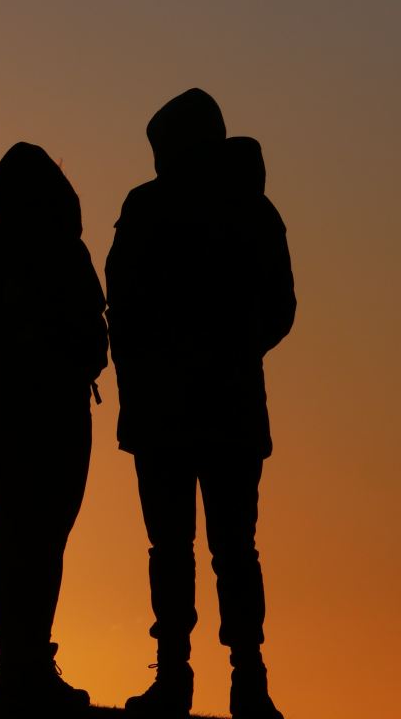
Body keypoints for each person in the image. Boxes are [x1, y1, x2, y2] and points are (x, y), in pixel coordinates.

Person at [105, 89, 295, 719]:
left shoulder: (153, 207)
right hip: (222, 409)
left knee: (189, 548)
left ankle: (198, 679)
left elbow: (123, 307)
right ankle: (237, 680)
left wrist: (191, 356)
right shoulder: (252, 208)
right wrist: (236, 353)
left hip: (176, 410)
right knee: (227, 548)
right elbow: (280, 309)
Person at [0, 142, 108, 714]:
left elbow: (94, 335)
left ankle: (24, 662)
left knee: (31, 536)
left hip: (38, 413)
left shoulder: (13, 249)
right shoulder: (47, 251)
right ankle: (19, 664)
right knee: (23, 535)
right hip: (25, 414)